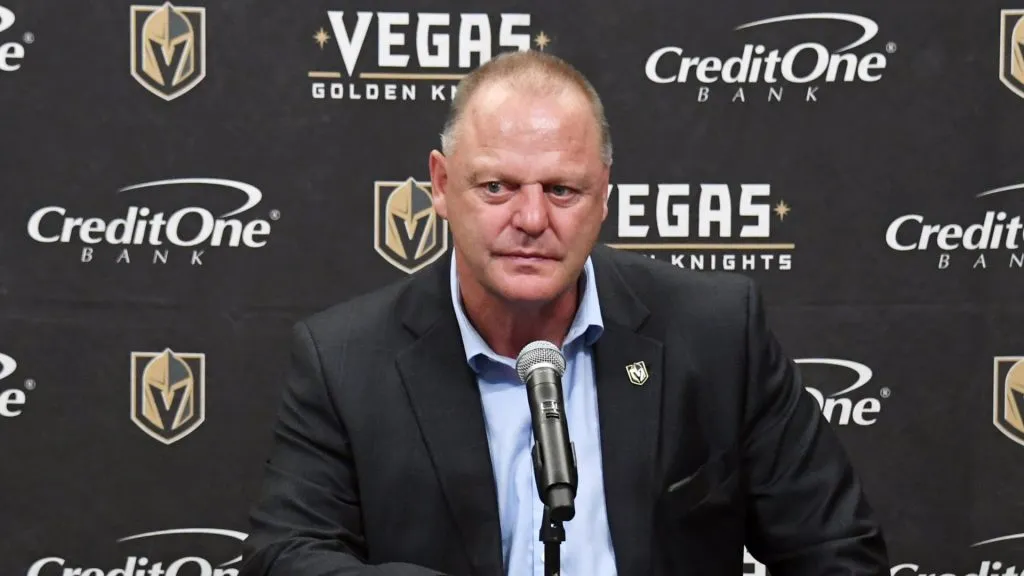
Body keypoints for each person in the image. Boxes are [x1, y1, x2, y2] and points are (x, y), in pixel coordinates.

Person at [239, 50, 890, 576]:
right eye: (496, 186)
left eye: (562, 189)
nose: (530, 219)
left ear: (603, 195)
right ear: (440, 185)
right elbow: (284, 556)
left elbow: (837, 550)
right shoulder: (344, 359)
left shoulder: (717, 333)